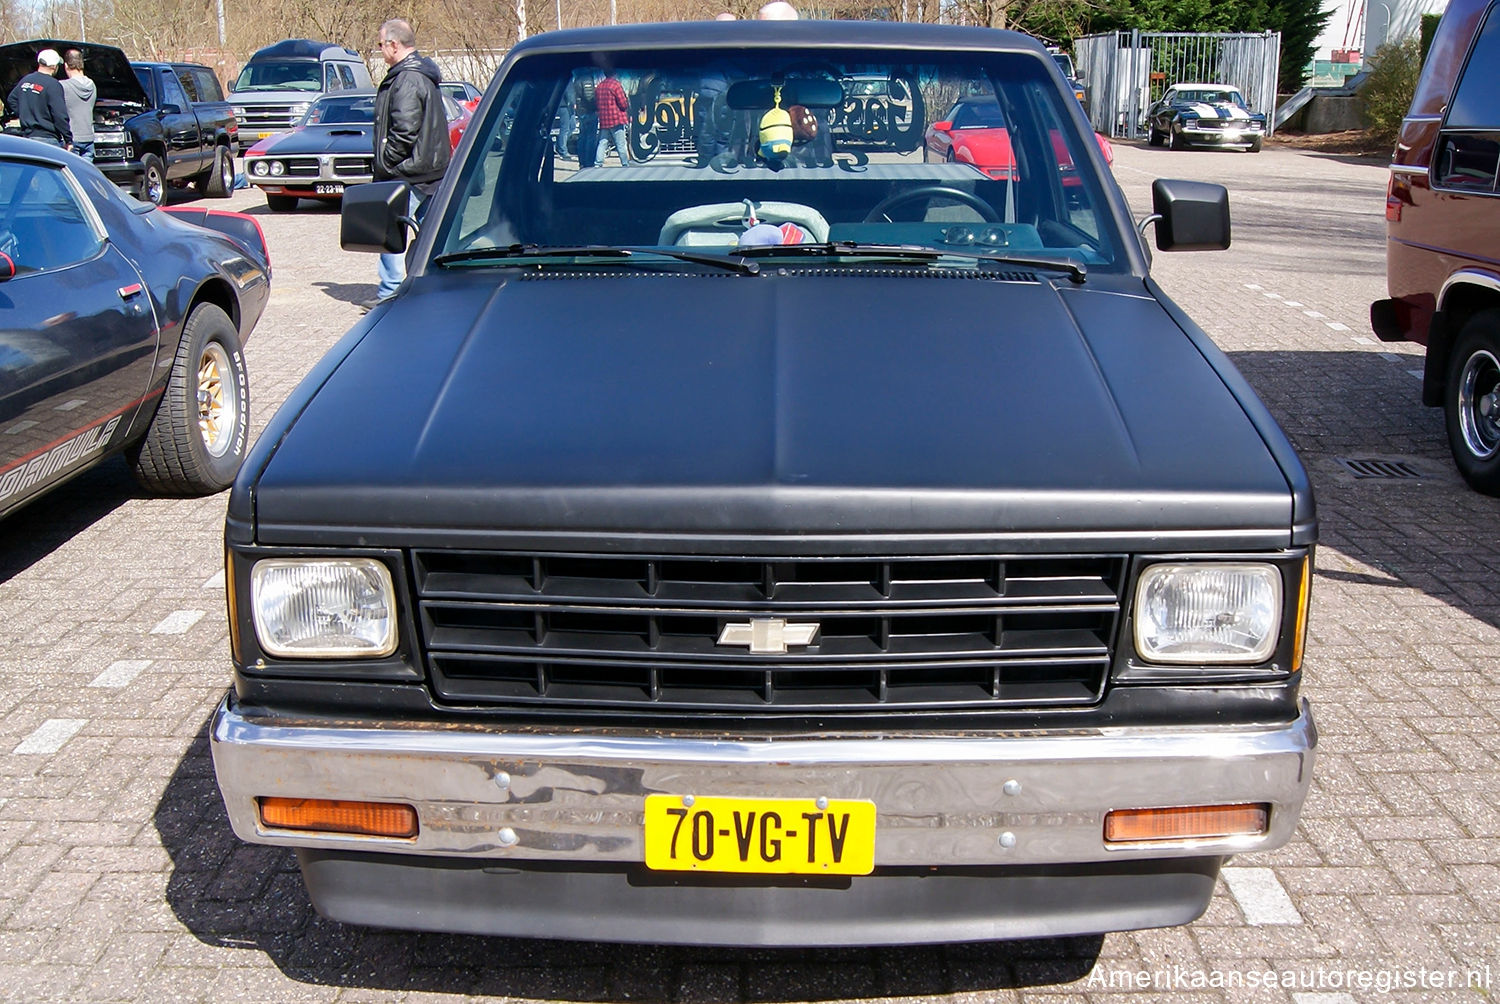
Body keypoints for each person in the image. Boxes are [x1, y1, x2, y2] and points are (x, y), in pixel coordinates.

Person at [370, 18, 451, 305]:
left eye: (381, 44)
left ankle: (391, 292)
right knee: (430, 235)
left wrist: (385, 163)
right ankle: (424, 284)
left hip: (409, 173)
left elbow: (404, 130)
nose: (380, 50)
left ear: (393, 44)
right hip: (429, 170)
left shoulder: (406, 79)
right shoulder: (420, 74)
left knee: (391, 233)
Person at [6, 49, 71, 148]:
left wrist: (25, 114)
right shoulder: (53, 85)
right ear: (54, 67)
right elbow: (60, 115)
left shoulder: (26, 80)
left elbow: (11, 99)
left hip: (27, 138)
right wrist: (68, 139)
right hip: (48, 139)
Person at [61, 50, 96, 162]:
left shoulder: (63, 86)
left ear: (66, 65)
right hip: (89, 138)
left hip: (71, 139)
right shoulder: (92, 85)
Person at [593, 69, 631, 167]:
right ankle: (625, 163)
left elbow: (596, 104)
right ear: (614, 73)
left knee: (602, 143)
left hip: (604, 120)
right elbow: (623, 104)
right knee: (621, 144)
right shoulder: (616, 85)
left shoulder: (599, 86)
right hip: (616, 119)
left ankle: (598, 163)